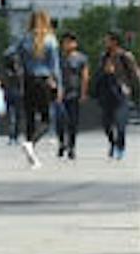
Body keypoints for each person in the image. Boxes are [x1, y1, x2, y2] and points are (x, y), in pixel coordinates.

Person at [9, 8, 62, 166]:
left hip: (28, 80)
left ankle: (32, 155)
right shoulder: (50, 40)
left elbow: (9, 53)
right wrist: (58, 85)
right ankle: (30, 143)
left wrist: (17, 68)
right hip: (44, 81)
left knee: (30, 117)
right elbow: (55, 66)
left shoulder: (24, 39)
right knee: (46, 119)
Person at [91, 32, 139, 161]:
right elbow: (98, 74)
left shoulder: (125, 56)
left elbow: (135, 73)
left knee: (120, 123)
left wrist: (129, 87)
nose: (105, 42)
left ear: (114, 42)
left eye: (107, 40)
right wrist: (105, 72)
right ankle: (112, 143)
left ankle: (120, 148)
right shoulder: (104, 57)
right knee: (106, 124)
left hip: (121, 93)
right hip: (106, 93)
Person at [54, 31, 88, 161]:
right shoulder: (57, 58)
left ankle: (72, 147)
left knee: (73, 122)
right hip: (59, 94)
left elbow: (85, 76)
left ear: (75, 43)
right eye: (65, 42)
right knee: (60, 120)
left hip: (74, 93)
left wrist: (83, 93)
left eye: (70, 42)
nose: (67, 44)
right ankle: (62, 142)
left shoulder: (81, 58)